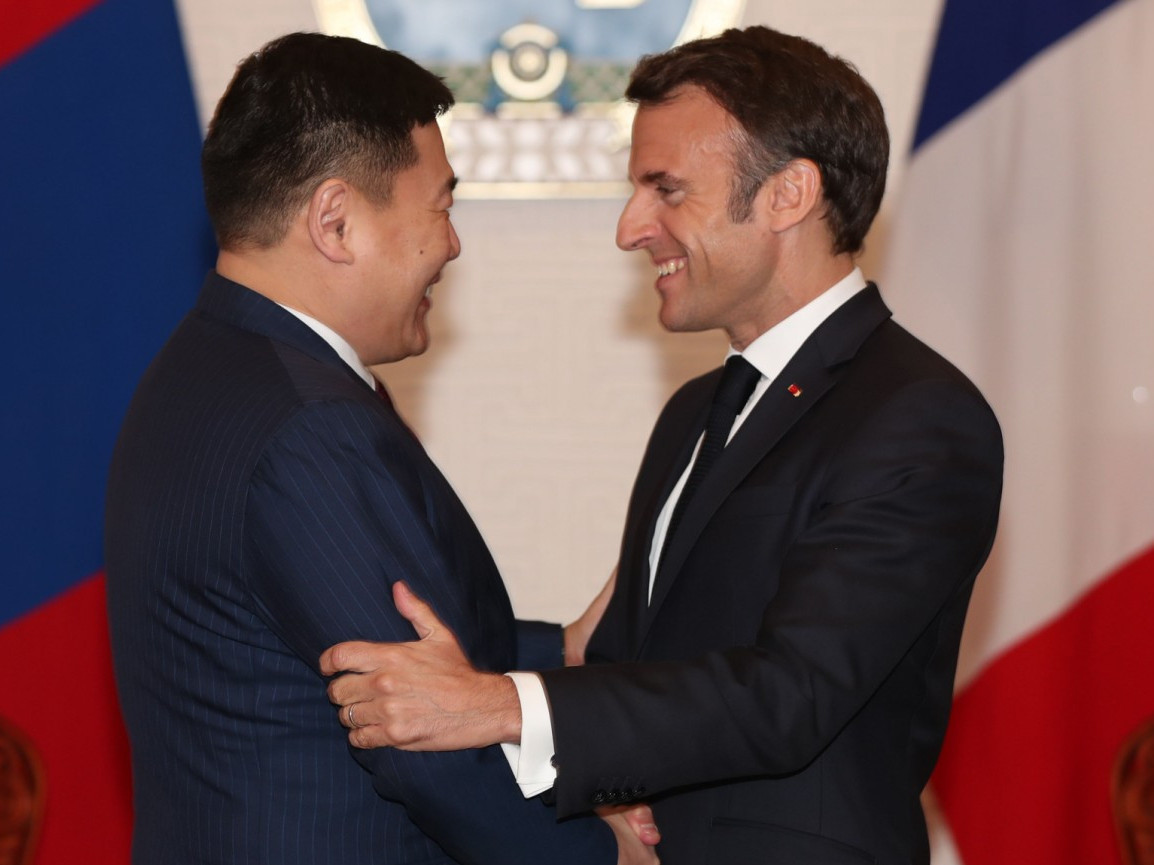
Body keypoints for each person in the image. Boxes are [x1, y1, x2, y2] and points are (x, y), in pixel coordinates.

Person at [320, 25, 1005, 865]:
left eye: (666, 189)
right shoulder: (694, 412)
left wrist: (500, 704)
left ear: (789, 194)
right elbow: (629, 665)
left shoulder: (917, 414)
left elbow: (791, 695)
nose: (630, 227)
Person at [104, 32, 656, 865]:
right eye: (441, 205)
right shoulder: (309, 426)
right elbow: (426, 742)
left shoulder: (203, 367)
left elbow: (349, 625)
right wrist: (605, 854)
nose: (452, 244)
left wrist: (562, 649)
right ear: (336, 221)